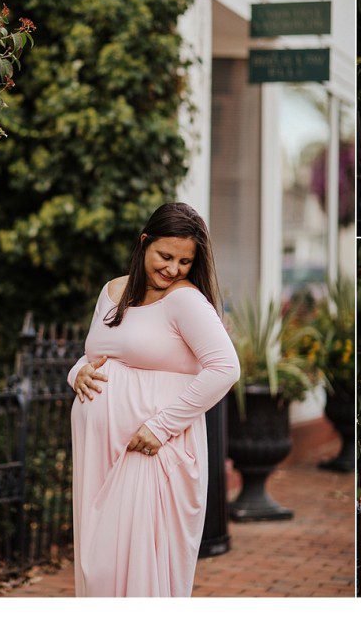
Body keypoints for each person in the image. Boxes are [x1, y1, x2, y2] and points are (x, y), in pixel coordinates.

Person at [67, 202, 241, 597]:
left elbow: (225, 368)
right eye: (165, 255)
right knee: (100, 571)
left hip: (152, 452)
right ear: (144, 242)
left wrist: (160, 427)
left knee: (137, 576)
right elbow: (97, 355)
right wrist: (77, 372)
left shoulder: (185, 300)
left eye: (184, 261)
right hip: (101, 454)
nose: (173, 269)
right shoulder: (113, 291)